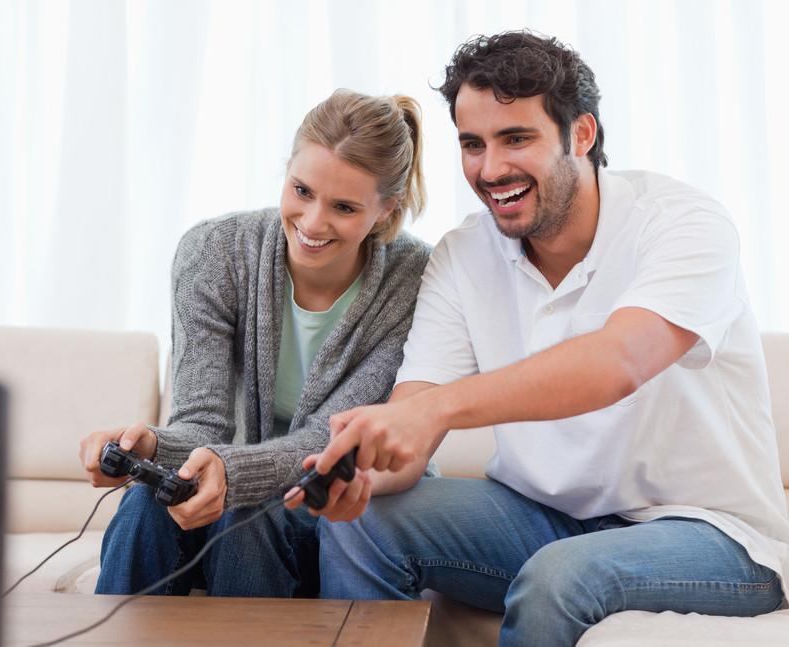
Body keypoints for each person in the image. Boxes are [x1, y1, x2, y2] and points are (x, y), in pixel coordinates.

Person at [292, 30, 789, 645]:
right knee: (362, 522)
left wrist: (438, 408)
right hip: (540, 519)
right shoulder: (463, 255)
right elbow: (412, 426)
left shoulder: (684, 222)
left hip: (710, 536)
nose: (491, 168)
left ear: (581, 134)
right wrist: (366, 471)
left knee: (560, 576)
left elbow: (619, 362)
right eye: (473, 144)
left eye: (516, 138)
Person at [79, 88, 432, 598]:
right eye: (303, 191)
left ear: (385, 209)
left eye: (345, 207)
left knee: (243, 517)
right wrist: (151, 446)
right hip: (228, 496)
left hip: (335, 510)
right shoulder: (214, 253)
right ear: (287, 168)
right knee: (144, 505)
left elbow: (330, 446)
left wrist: (232, 473)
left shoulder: (413, 281)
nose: (313, 223)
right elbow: (202, 423)